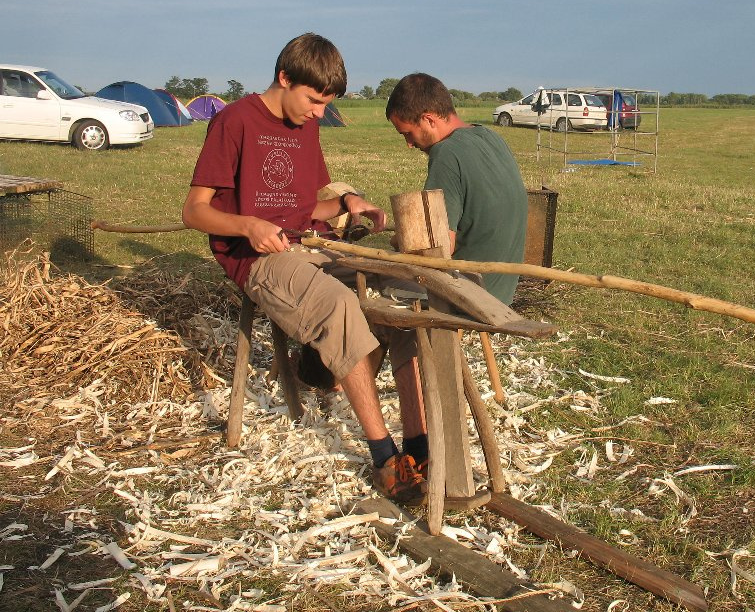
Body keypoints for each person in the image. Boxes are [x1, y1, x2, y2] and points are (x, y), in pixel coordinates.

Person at [181, 33, 427, 505]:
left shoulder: (306, 126)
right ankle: (384, 456)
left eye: (325, 104)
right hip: (257, 258)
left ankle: (418, 444)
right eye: (313, 101)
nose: (318, 113)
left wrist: (349, 203)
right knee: (337, 305)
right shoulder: (235, 122)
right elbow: (194, 211)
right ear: (284, 78)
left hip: (311, 243)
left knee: (401, 291)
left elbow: (308, 206)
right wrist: (248, 225)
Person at [381, 73, 528, 470]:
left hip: (470, 290)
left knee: (378, 299)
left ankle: (417, 438)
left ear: (429, 119)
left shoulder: (447, 155)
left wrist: (397, 241)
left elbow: (437, 248)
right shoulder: (487, 136)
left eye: (408, 133)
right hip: (503, 282)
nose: (409, 144)